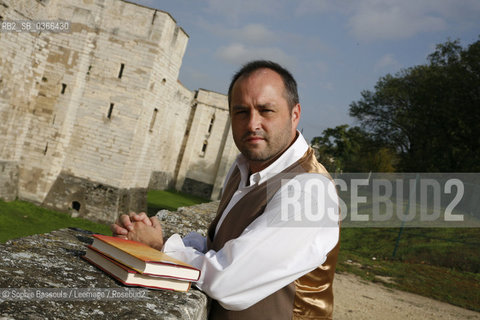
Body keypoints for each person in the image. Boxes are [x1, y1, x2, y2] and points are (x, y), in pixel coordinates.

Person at [111, 60, 340, 319]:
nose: (253, 123)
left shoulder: (310, 190)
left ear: (294, 114)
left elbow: (227, 281)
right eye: (241, 112)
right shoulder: (244, 166)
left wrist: (163, 247)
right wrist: (158, 238)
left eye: (266, 111)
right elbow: (220, 246)